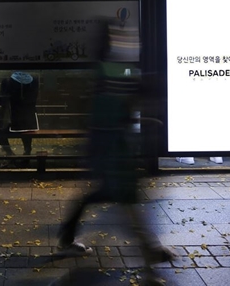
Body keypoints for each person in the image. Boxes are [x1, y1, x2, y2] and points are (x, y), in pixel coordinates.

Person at [56, 20, 173, 285]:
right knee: (126, 205)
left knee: (104, 198)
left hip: (107, 151)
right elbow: (124, 103)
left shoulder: (103, 72)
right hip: (114, 153)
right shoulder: (114, 72)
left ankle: (68, 237)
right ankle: (150, 259)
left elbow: (100, 111)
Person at [0, 71, 39, 159]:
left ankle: (9, 153)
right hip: (28, 116)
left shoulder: (7, 80)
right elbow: (34, 98)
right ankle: (27, 151)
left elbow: (0, 100)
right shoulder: (34, 79)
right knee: (26, 131)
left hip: (11, 114)